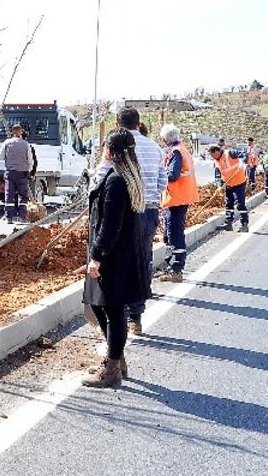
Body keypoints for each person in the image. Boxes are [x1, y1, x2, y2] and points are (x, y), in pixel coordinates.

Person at [82, 128, 151, 388]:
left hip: (112, 256)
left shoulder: (116, 181)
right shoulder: (123, 177)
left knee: (111, 309)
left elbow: (110, 226)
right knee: (101, 305)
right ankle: (116, 359)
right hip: (119, 253)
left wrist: (97, 257)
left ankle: (112, 369)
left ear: (109, 151)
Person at [105, 107, 166, 336]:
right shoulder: (155, 148)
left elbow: (104, 177)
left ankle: (118, 316)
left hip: (123, 211)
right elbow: (162, 183)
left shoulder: (118, 147)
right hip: (148, 211)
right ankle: (136, 316)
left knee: (119, 260)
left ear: (118, 124)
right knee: (143, 258)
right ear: (139, 123)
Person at [159, 124, 199, 282]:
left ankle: (176, 269)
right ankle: (172, 266)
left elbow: (173, 175)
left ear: (165, 139)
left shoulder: (176, 152)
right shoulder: (181, 149)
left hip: (177, 197)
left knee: (174, 233)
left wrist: (159, 176)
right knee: (171, 233)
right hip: (180, 197)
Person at [0, 123, 35, 224]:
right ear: (21, 132)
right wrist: (29, 171)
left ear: (12, 132)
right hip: (22, 173)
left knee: (9, 195)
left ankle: (9, 217)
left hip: (10, 173)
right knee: (24, 196)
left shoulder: (6, 143)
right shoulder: (26, 144)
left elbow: (0, 157)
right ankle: (22, 217)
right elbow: (30, 160)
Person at [210, 144, 249, 232]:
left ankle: (244, 224)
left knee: (240, 204)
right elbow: (217, 176)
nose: (212, 157)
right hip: (229, 185)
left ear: (217, 151)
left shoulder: (230, 153)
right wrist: (219, 186)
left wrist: (242, 163)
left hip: (239, 182)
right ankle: (228, 223)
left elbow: (243, 155)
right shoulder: (216, 161)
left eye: (213, 155)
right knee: (229, 204)